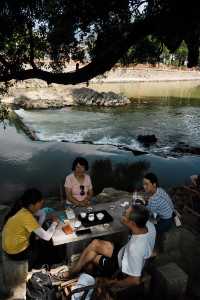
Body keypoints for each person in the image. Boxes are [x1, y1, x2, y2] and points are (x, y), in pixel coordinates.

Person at [52, 205, 156, 289]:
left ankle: (86, 278)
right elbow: (150, 250)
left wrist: (111, 283)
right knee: (95, 243)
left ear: (133, 223)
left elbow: (134, 280)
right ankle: (74, 271)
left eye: (125, 214)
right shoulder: (149, 226)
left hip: (120, 267)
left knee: (91, 257)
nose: (122, 214)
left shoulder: (136, 248)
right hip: (124, 253)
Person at [2, 188, 59, 268]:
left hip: (8, 246)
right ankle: (38, 265)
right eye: (40, 203)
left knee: (38, 237)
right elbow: (47, 237)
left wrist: (38, 229)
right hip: (15, 252)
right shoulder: (26, 217)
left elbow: (41, 213)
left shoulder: (20, 208)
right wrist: (54, 223)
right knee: (43, 246)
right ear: (32, 205)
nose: (41, 205)